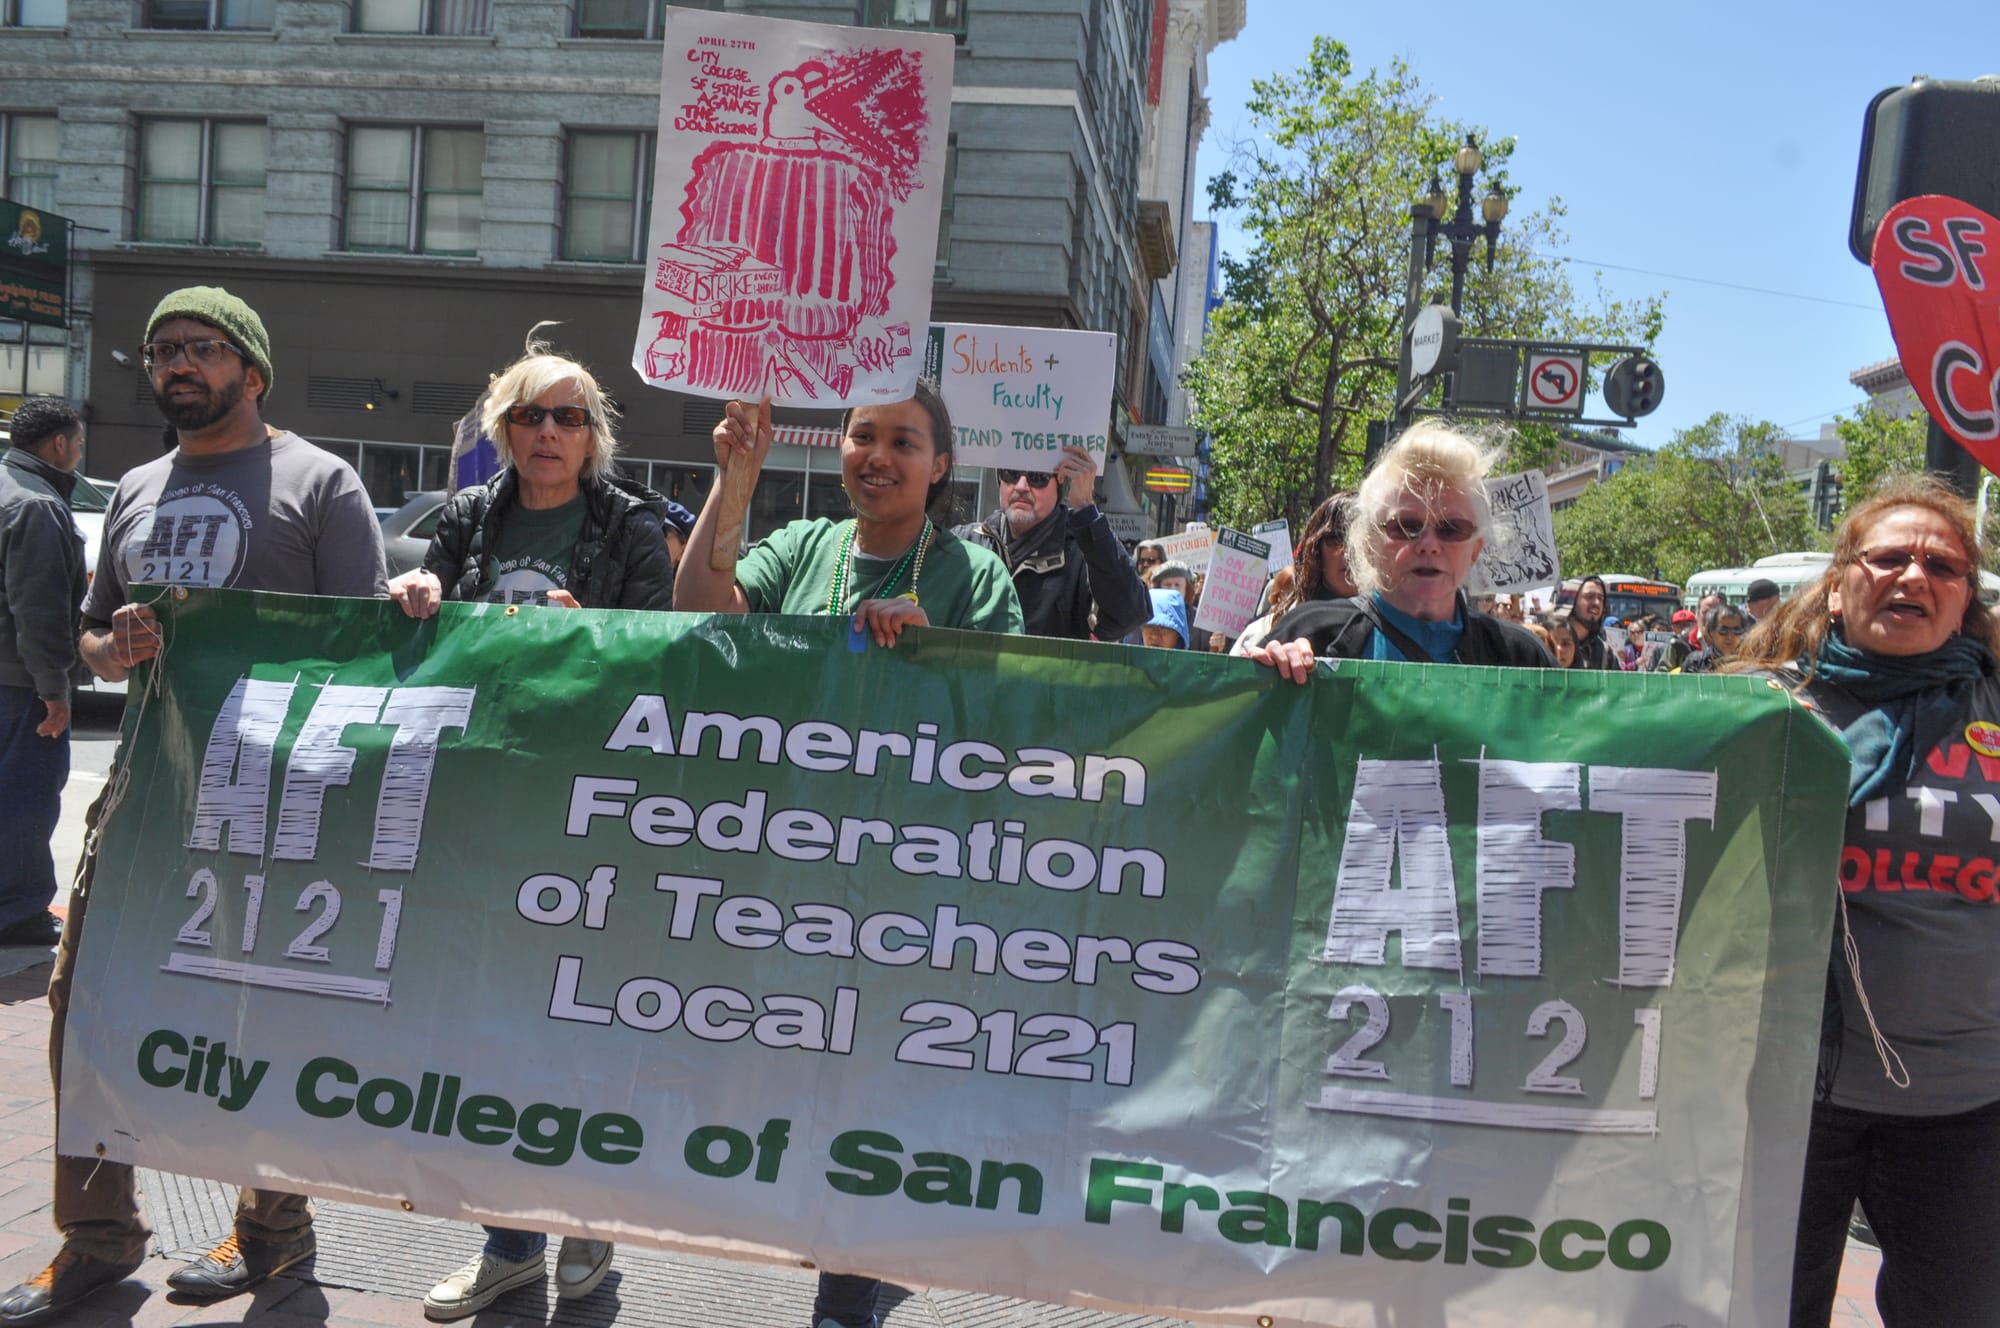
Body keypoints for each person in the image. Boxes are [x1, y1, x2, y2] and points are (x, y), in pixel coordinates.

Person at [0, 287, 388, 1327]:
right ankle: (96, 1241)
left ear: (250, 371)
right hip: (144, 792)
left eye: (200, 349)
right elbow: (86, 638)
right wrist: (106, 649)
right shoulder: (133, 485)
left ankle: (268, 1232)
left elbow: (366, 654)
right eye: (162, 349)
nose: (176, 364)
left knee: (267, 1015)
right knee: (84, 1003)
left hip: (276, 804)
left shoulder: (323, 482)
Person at [674, 380, 1021, 1328]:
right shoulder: (805, 547)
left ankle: (847, 1292)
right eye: (862, 435)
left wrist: (933, 656)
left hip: (904, 872)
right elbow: (707, 606)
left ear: (940, 465)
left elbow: (1010, 719)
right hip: (784, 859)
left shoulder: (973, 573)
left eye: (904, 441)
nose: (878, 455)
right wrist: (733, 486)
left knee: (868, 1076)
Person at [386, 346, 667, 1319]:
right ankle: (507, 1242)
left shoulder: (630, 526)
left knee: (582, 1023)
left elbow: (664, 673)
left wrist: (593, 633)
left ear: (592, 435)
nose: (548, 432)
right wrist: (416, 603)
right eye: (529, 416)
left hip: (592, 815)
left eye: (568, 417)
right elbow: (424, 651)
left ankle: (589, 1222)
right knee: (490, 1027)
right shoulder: (465, 518)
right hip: (482, 805)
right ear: (502, 427)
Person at [1724, 476, 2000, 1327]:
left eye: (1941, 566)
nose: (1912, 577)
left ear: (1966, 599)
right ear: (1839, 585)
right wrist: (1311, 679)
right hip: (1783, 1097)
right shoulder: (1757, 706)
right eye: (1888, 558)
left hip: (1966, 1101)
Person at [1249, 422, 1551, 676]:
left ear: (1475, 550)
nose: (1429, 545)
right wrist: (1269, 676)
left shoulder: (1522, 660)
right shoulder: (1311, 635)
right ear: (1369, 545)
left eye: (1451, 529)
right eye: (1405, 527)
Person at [0, 397, 89, 949]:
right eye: (79, 443)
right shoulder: (35, 506)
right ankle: (18, 914)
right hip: (20, 685)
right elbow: (39, 613)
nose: (80, 453)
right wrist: (54, 692)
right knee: (27, 798)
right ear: (59, 444)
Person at [953, 443, 1148, 641]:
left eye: (1038, 477)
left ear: (1061, 483)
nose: (1021, 486)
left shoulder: (1084, 553)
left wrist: (1087, 512)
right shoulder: (965, 544)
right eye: (1010, 473)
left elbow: (1128, 616)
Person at [1567, 575, 1621, 670]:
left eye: (1600, 598)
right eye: (1589, 596)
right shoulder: (1550, 643)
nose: (1596, 603)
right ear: (1572, 600)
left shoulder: (1604, 653)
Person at [1679, 602, 1747, 674]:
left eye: (1737, 630)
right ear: (1711, 632)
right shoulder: (1695, 662)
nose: (1730, 636)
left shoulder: (1751, 663)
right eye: (1723, 630)